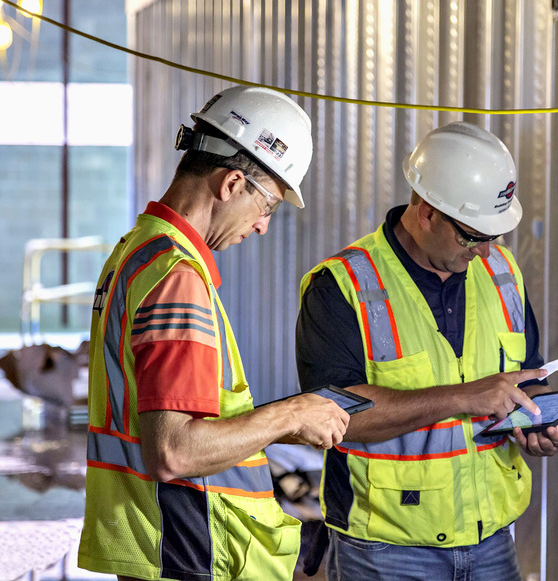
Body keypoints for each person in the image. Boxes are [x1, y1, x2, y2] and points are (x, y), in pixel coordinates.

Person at [77, 85, 350, 581]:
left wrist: (284, 426)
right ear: (230, 185)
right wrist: (289, 412)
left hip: (153, 539)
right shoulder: (177, 279)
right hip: (189, 546)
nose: (263, 226)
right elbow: (175, 450)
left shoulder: (136, 252)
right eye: (268, 206)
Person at [295, 122, 558, 580]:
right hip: (386, 547)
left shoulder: (501, 270)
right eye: (472, 236)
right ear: (425, 213)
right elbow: (331, 417)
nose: (484, 251)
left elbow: (526, 376)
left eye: (492, 236)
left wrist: (538, 418)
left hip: (491, 537)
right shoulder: (341, 286)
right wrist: (463, 397)